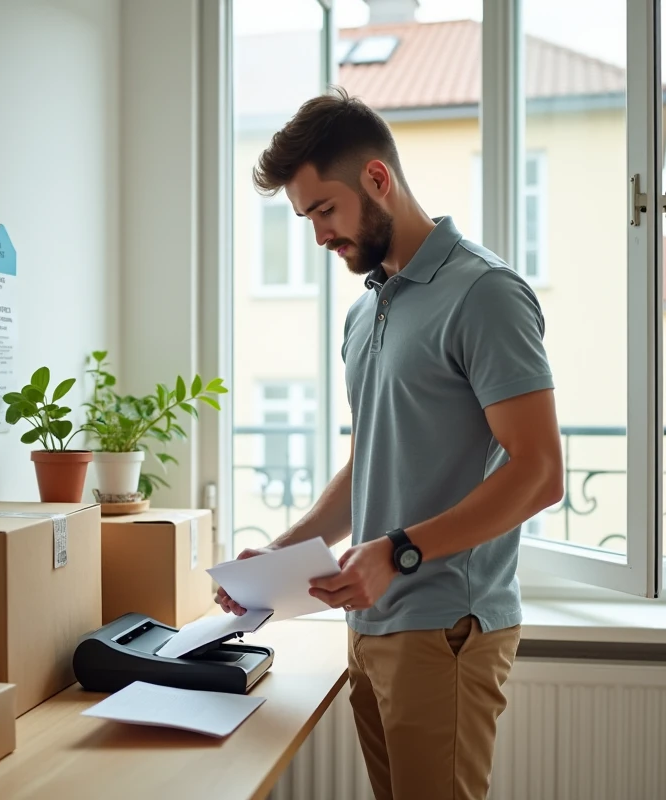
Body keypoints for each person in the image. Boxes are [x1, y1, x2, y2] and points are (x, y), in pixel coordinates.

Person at [215, 87, 564, 800]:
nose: (317, 236)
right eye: (306, 218)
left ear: (377, 179)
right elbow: (368, 464)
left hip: (447, 628)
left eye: (324, 211)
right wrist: (279, 555)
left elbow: (540, 473)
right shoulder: (366, 309)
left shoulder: (484, 293)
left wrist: (399, 551)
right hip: (374, 623)